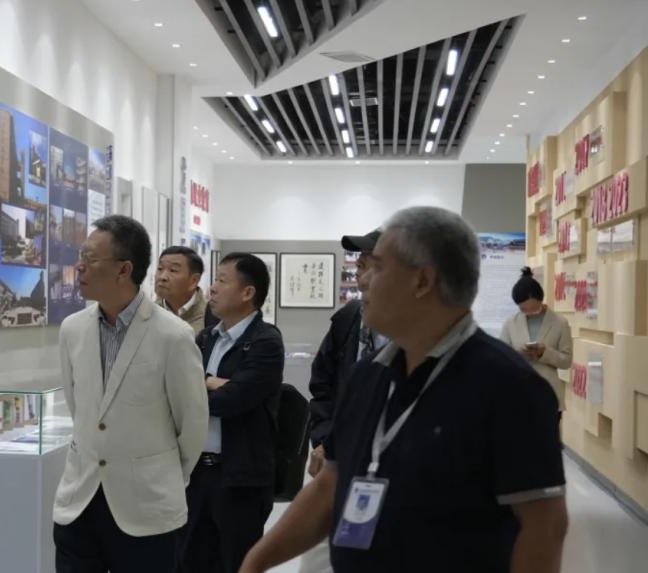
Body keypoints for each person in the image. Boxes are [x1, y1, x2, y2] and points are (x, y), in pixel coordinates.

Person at [239, 206, 568, 573]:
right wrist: (256, 561)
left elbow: (543, 527)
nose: (363, 280)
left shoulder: (510, 387)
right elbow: (330, 483)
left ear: (421, 281)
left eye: (377, 267)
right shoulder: (367, 375)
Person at [54, 215, 209, 573]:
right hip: (79, 501)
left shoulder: (173, 335)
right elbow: (81, 410)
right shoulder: (72, 330)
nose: (80, 266)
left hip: (146, 509)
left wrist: (161, 477)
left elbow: (192, 426)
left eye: (91, 258)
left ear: (124, 269)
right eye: (81, 255)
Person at [181, 253, 284, 573]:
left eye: (222, 280)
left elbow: (232, 400)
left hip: (240, 479)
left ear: (247, 292)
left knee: (237, 563)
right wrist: (213, 383)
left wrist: (203, 384)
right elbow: (177, 391)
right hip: (195, 476)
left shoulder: (266, 342)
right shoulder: (205, 338)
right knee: (189, 561)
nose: (212, 288)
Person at [306, 229, 386, 478]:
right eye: (359, 262)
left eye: (368, 261)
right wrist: (325, 439)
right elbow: (322, 384)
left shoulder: (417, 334)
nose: (359, 268)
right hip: (344, 455)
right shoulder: (349, 318)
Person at [500, 267, 573, 412]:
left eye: (533, 308)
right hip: (517, 396)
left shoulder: (560, 323)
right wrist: (519, 354)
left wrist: (544, 353)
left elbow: (566, 361)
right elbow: (501, 358)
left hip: (549, 396)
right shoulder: (510, 323)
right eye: (523, 309)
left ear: (541, 299)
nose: (529, 313)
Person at [155, 246, 219, 334]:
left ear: (194, 281)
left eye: (173, 270)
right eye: (160, 268)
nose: (162, 277)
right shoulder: (146, 313)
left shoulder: (212, 317)